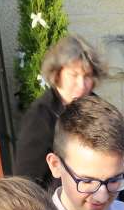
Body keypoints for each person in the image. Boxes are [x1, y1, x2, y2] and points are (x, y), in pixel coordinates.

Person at [14, 33, 105, 190]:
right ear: (57, 74)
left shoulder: (98, 108)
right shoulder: (40, 117)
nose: (81, 85)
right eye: (74, 75)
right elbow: (26, 183)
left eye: (87, 76)